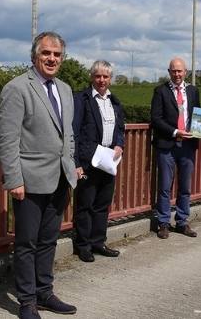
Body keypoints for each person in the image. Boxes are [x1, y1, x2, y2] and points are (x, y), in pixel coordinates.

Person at [0, 31, 82, 319]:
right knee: (26, 243)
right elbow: (8, 140)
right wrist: (14, 180)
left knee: (49, 240)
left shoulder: (66, 89)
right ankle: (27, 301)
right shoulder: (17, 88)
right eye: (46, 53)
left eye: (57, 55)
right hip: (29, 180)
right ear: (35, 55)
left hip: (59, 179)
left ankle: (45, 292)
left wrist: (70, 167)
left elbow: (67, 134)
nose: (51, 59)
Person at [150, 57, 201, 239]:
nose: (177, 74)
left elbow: (198, 114)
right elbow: (156, 119)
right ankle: (163, 223)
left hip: (188, 144)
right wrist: (175, 132)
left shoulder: (193, 91)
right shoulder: (160, 91)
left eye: (180, 71)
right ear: (169, 72)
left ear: (185, 72)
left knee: (185, 187)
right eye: (174, 71)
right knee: (165, 186)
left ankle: (182, 222)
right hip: (167, 144)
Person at [72, 60, 125, 262]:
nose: (102, 80)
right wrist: (76, 162)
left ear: (110, 78)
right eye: (98, 76)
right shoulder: (82, 99)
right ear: (92, 77)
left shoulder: (115, 101)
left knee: (102, 204)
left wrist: (120, 145)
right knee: (85, 204)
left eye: (106, 76)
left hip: (109, 161)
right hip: (88, 161)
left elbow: (120, 129)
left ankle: (98, 242)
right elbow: (74, 133)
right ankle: (83, 245)